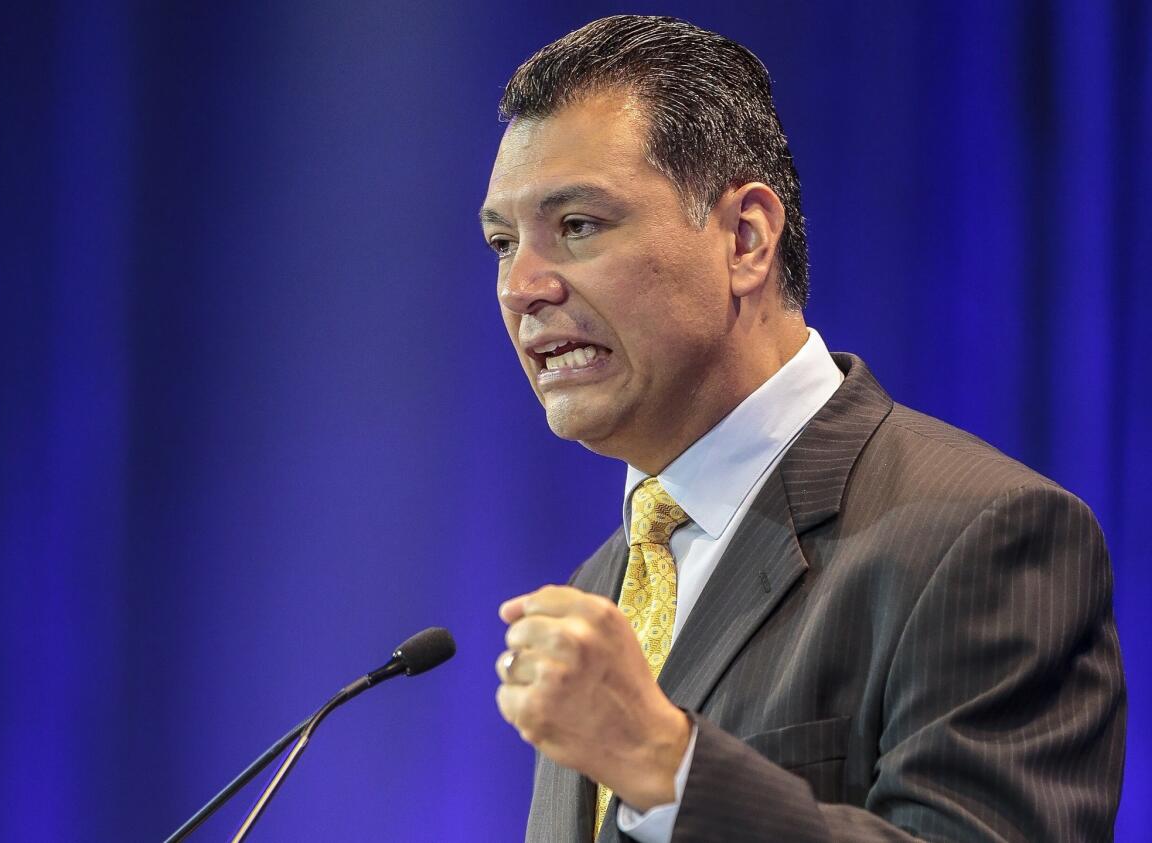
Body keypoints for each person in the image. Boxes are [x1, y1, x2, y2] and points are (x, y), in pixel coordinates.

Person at [481, 15, 1125, 843]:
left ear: (745, 238)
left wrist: (669, 768)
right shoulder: (597, 590)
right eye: (503, 242)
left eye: (577, 226)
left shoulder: (982, 535)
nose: (521, 286)